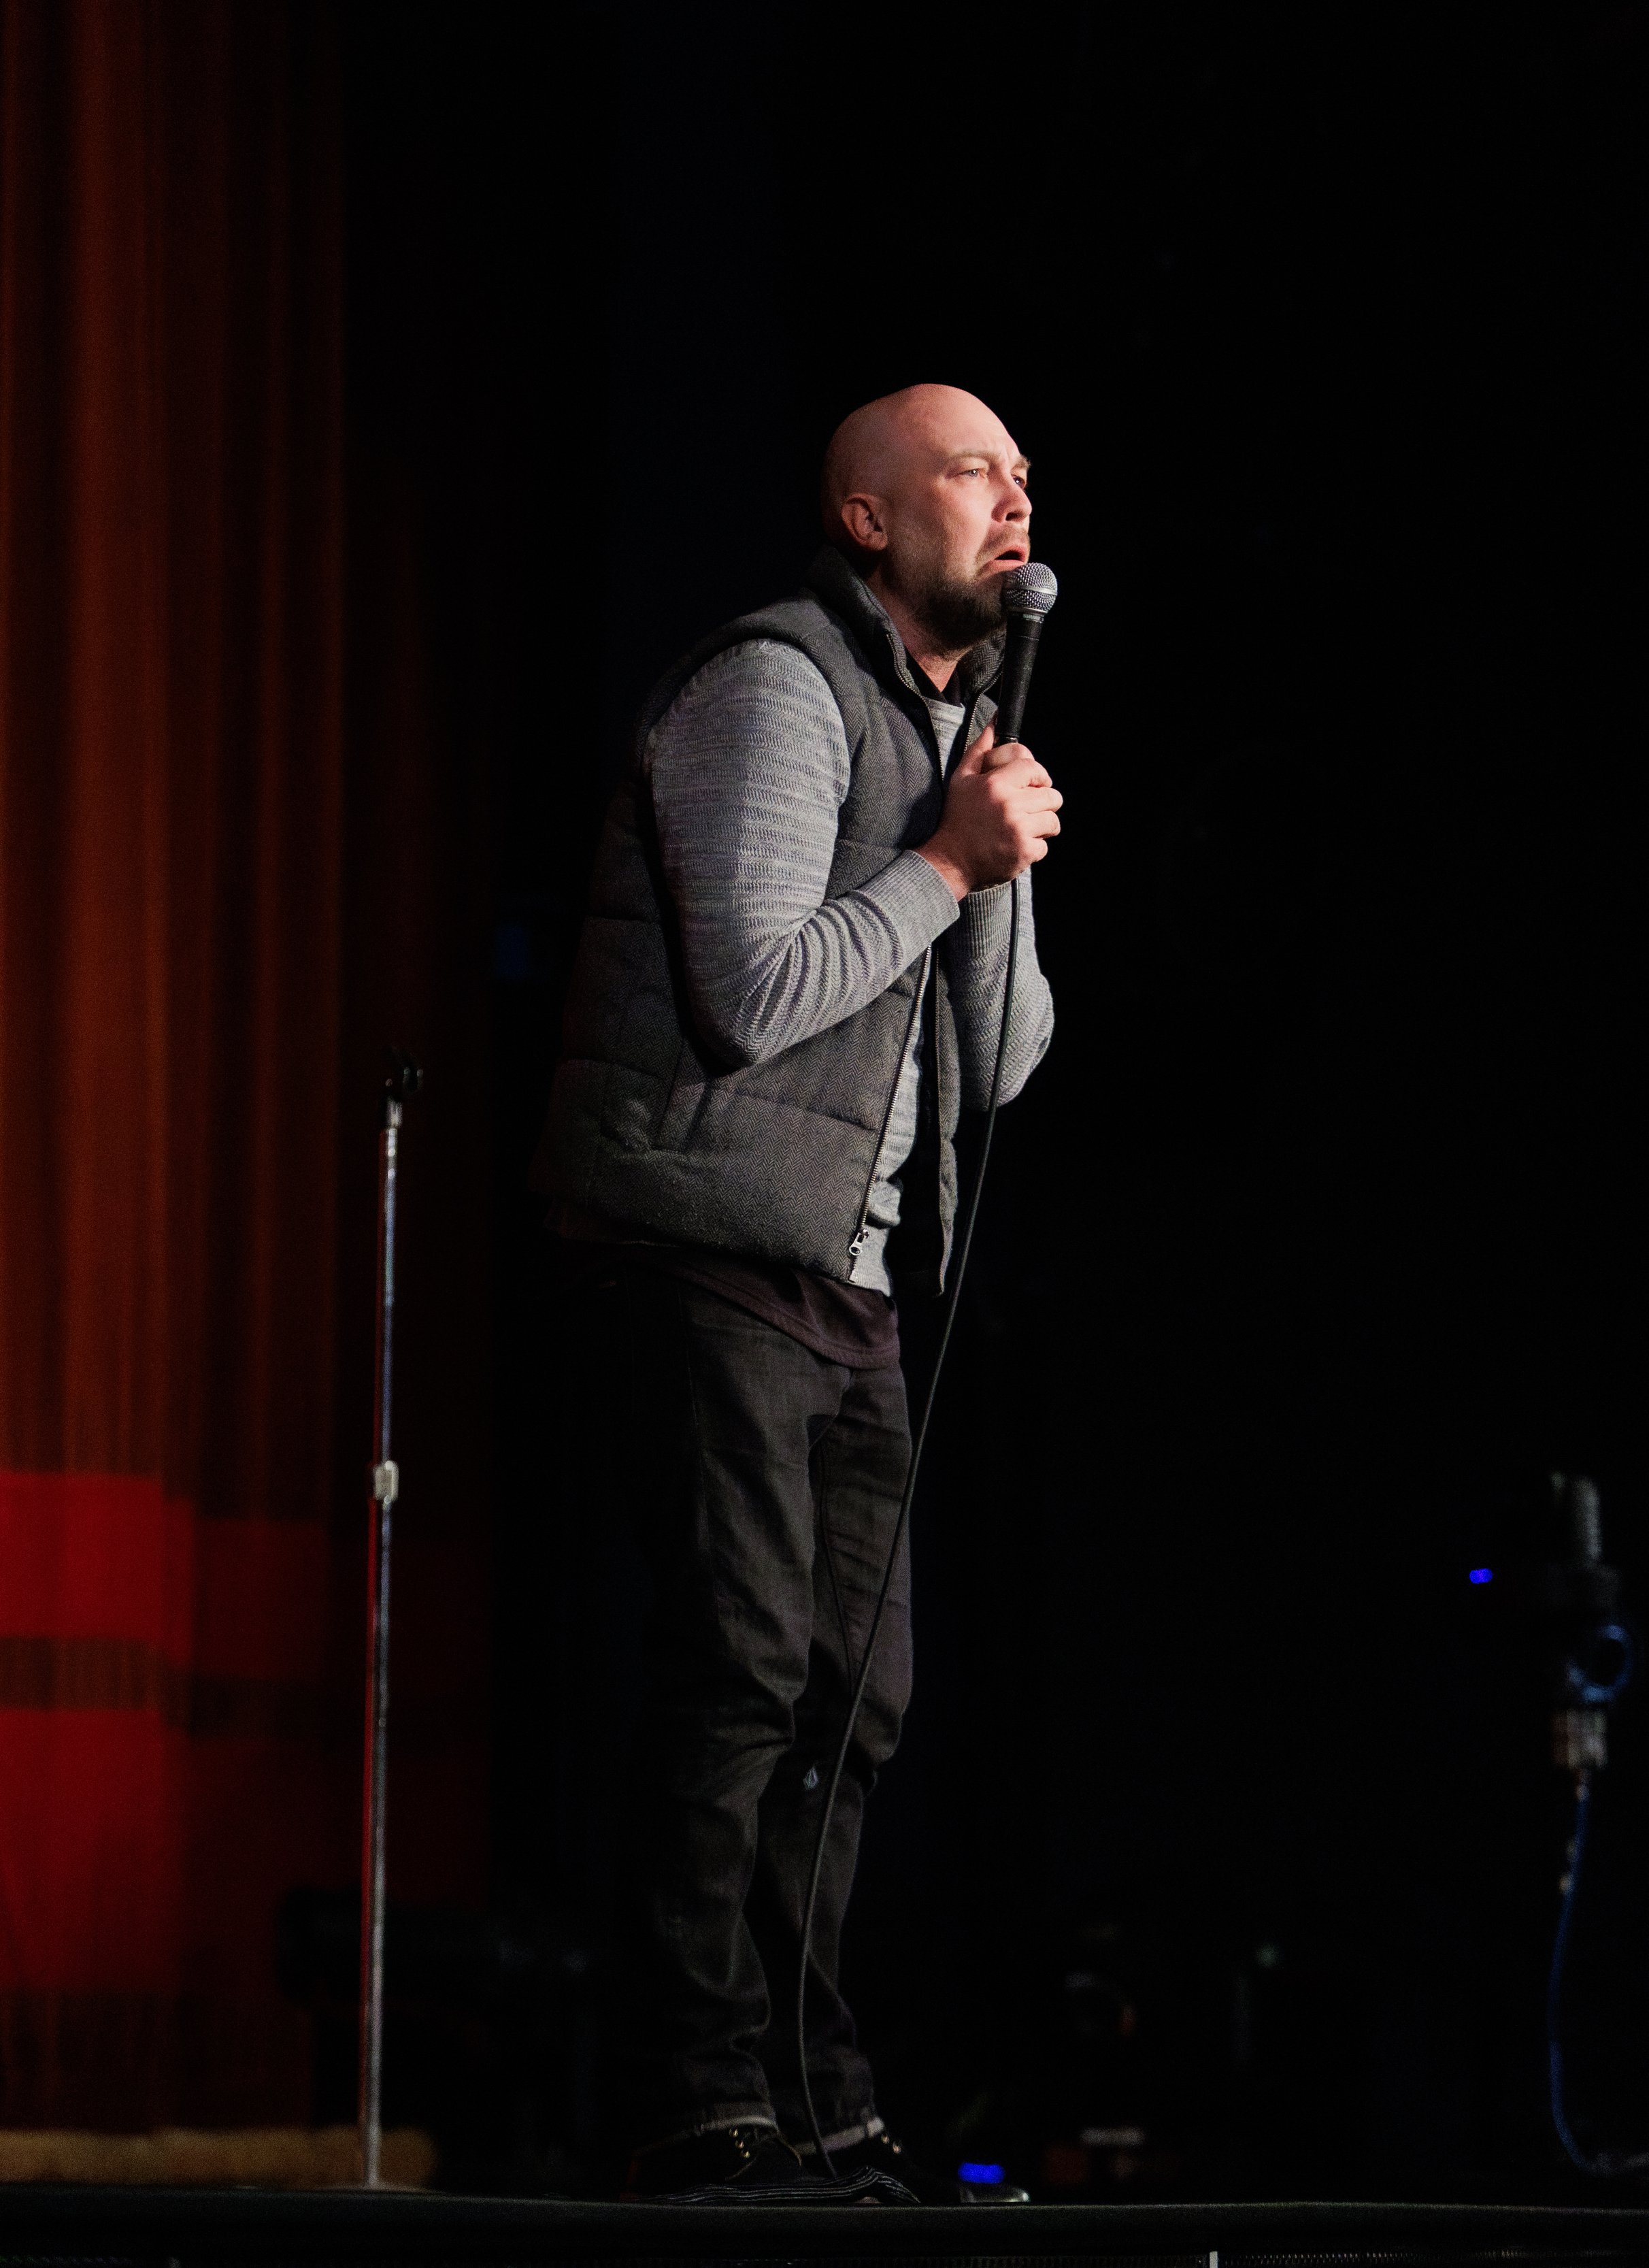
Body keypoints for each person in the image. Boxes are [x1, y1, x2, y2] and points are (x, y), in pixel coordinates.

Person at [535, 383, 1060, 2203]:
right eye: (973, 473)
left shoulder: (947, 734)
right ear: (863, 519)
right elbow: (756, 988)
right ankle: (691, 2091)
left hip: (848, 1283)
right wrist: (941, 858)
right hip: (709, 1248)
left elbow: (996, 1062)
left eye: (1019, 476)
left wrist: (978, 853)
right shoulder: (770, 684)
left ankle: (811, 2091)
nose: (1014, 502)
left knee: (857, 1701)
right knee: (743, 1673)